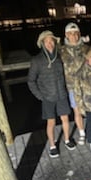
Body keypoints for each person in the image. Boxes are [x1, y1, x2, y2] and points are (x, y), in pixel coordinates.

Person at [27, 30, 76, 158]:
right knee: (51, 122)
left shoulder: (59, 57)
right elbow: (31, 81)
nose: (50, 43)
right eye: (47, 41)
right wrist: (40, 96)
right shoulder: (36, 60)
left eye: (52, 41)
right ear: (42, 43)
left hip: (61, 95)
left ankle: (67, 140)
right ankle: (52, 146)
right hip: (47, 97)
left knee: (65, 118)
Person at [61, 22, 89, 145]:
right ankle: (82, 133)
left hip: (86, 84)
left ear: (79, 34)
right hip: (71, 87)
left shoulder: (86, 48)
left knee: (89, 109)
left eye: (76, 33)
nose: (73, 36)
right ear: (66, 35)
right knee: (77, 111)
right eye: (70, 34)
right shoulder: (61, 50)